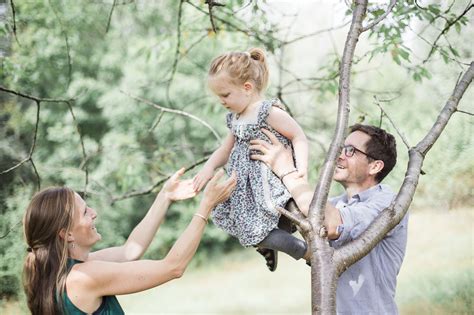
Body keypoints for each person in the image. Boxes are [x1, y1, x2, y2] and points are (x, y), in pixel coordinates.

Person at [23, 168, 236, 315]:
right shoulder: (83, 277)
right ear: (66, 234)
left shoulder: (68, 271)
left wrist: (165, 195)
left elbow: (130, 251)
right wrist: (205, 206)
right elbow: (173, 267)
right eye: (85, 212)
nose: (94, 213)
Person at [250, 124, 408, 314]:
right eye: (341, 148)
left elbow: (331, 224)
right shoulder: (337, 204)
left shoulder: (387, 203)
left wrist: (288, 171)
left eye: (350, 151)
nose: (339, 155)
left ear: (375, 166)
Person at [192, 48, 309, 271]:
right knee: (245, 228)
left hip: (270, 182)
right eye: (218, 96)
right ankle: (267, 246)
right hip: (247, 190)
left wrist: (301, 168)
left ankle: (305, 251)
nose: (221, 101)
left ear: (247, 88)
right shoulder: (235, 118)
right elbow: (225, 149)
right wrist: (208, 168)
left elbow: (298, 135)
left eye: (225, 95)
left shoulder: (268, 111)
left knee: (264, 229)